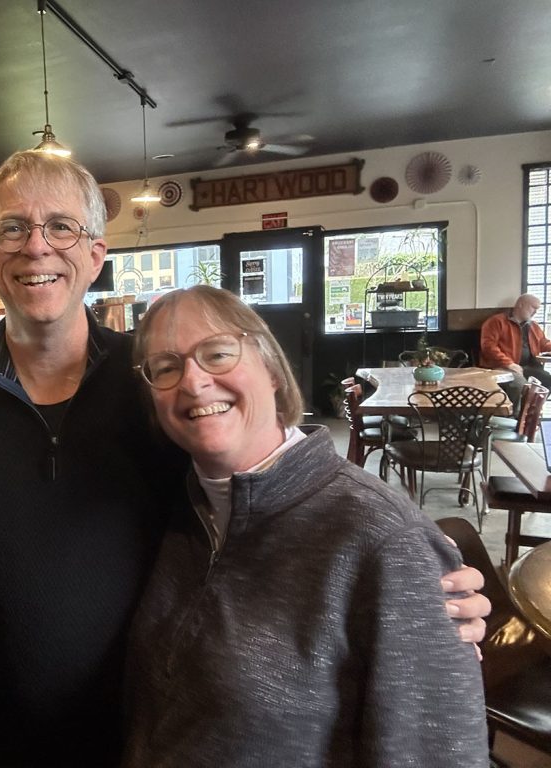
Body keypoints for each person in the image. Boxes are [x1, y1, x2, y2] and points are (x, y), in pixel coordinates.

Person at [0, 150, 491, 767]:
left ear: (96, 255)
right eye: (12, 228)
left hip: (151, 733)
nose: (36, 246)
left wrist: (410, 594)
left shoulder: (152, 385)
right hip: (6, 745)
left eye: (61, 226)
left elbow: (276, 501)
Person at [122, 285, 488, 766]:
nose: (193, 382)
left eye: (217, 353)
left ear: (271, 368)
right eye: (167, 368)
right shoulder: (179, 509)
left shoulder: (384, 540)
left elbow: (438, 750)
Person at [480, 292, 551, 408]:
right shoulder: (496, 322)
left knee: (548, 380)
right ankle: (516, 418)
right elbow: (488, 347)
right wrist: (509, 364)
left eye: (537, 309)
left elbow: (544, 343)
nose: (535, 312)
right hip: (501, 368)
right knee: (520, 385)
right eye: (533, 307)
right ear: (521, 305)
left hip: (527, 367)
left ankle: (530, 413)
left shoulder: (533, 326)